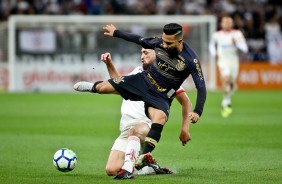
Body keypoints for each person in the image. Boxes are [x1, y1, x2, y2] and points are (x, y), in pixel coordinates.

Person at [74, 23, 206, 178]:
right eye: (163, 41)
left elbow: (201, 87)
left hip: (159, 96)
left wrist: (197, 112)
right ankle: (94, 88)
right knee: (111, 169)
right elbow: (138, 39)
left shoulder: (191, 60)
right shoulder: (154, 49)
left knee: (160, 118)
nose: (164, 45)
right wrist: (116, 32)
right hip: (143, 82)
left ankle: (142, 158)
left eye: (168, 43)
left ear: (179, 41)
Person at [102, 48, 192, 179]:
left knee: (135, 131)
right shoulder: (137, 72)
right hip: (125, 129)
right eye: (141, 53)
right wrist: (109, 64)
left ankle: (128, 170)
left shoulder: (167, 80)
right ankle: (149, 166)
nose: (142, 56)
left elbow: (186, 102)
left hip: (144, 126)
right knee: (111, 169)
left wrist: (185, 128)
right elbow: (118, 83)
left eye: (145, 53)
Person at [209, 16, 248, 118]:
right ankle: (226, 100)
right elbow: (211, 45)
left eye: (228, 22)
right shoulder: (216, 35)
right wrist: (214, 53)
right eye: (224, 22)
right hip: (223, 60)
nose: (226, 24)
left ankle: (226, 99)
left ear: (232, 24)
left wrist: (237, 43)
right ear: (221, 24)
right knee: (226, 78)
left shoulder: (237, 34)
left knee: (231, 83)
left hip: (234, 61)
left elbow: (245, 48)